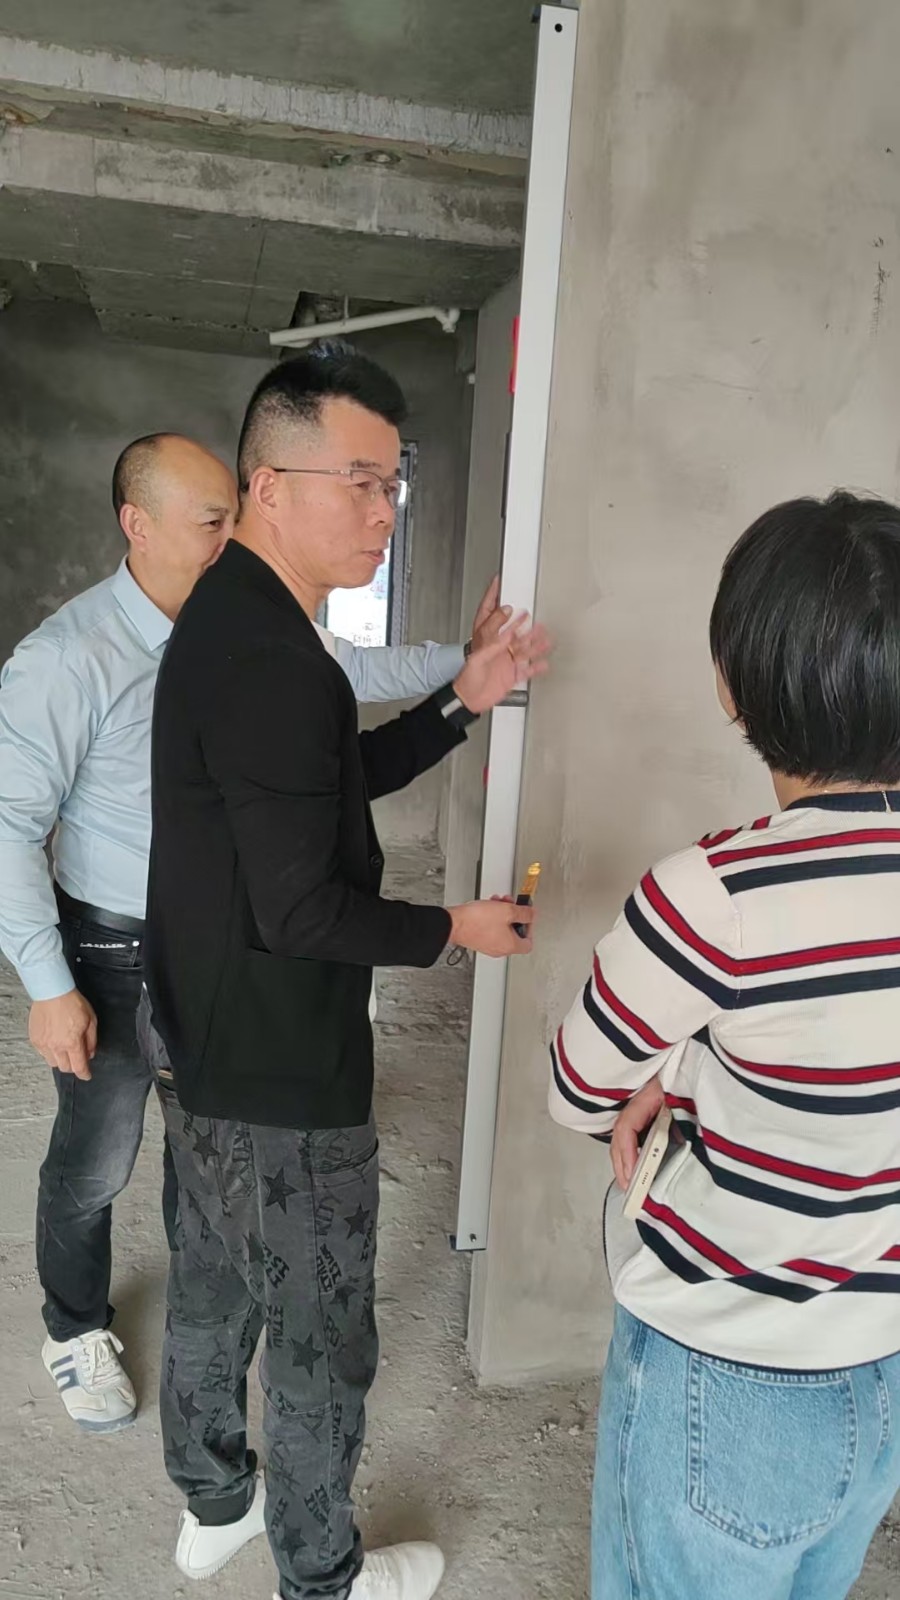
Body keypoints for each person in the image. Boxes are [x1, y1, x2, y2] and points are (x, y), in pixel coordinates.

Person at [138, 344, 549, 1600]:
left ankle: (215, 1503)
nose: (384, 512)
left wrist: (461, 701)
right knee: (319, 1338)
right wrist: (453, 928)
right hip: (279, 1068)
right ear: (271, 485)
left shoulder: (243, 621)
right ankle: (320, 1574)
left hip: (205, 1035)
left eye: (393, 485)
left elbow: (320, 790)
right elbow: (306, 905)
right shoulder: (268, 653)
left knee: (215, 1283)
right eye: (361, 482)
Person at [0, 430, 507, 1434]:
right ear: (137, 525)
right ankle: (75, 1324)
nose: (232, 540)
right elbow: (10, 821)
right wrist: (47, 982)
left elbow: (358, 679)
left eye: (235, 517)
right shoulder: (68, 658)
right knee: (97, 1158)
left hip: (217, 948)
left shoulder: (254, 629)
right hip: (112, 950)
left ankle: (205, 1331)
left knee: (207, 1158)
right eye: (211, 523)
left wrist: (467, 667)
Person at [550, 491, 900, 1600]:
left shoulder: (714, 896)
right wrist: (704, 1067)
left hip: (730, 1373)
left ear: (731, 683)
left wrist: (669, 1071)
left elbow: (578, 1088)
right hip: (884, 1367)